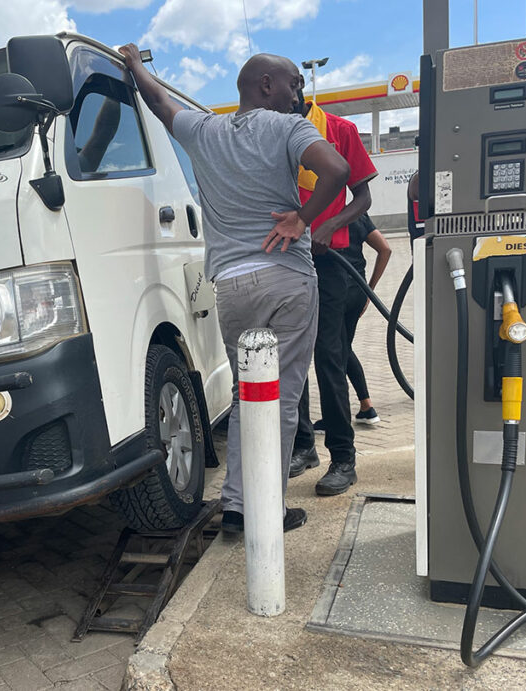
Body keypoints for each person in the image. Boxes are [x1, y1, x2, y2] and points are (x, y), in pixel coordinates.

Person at [118, 44, 350, 535]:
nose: (299, 96)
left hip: (232, 287)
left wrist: (135, 66)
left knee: (249, 398)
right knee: (282, 400)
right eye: (294, 84)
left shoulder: (204, 131)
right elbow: (337, 171)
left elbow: (160, 103)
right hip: (286, 279)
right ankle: (267, 510)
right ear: (266, 84)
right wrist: (302, 219)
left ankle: (235, 507)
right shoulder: (289, 127)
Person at [289, 83, 378, 496]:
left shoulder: (339, 129)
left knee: (329, 357)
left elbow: (363, 196)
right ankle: (304, 446)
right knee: (292, 357)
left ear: (294, 90)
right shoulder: (270, 134)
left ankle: (343, 457)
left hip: (329, 263)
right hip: (285, 262)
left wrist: (331, 225)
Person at [310, 213, 391, 431]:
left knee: (333, 353)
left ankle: (337, 417)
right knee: (342, 348)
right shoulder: (356, 214)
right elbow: (385, 249)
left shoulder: (319, 217)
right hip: (356, 292)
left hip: (332, 294)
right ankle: (366, 406)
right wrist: (369, 290)